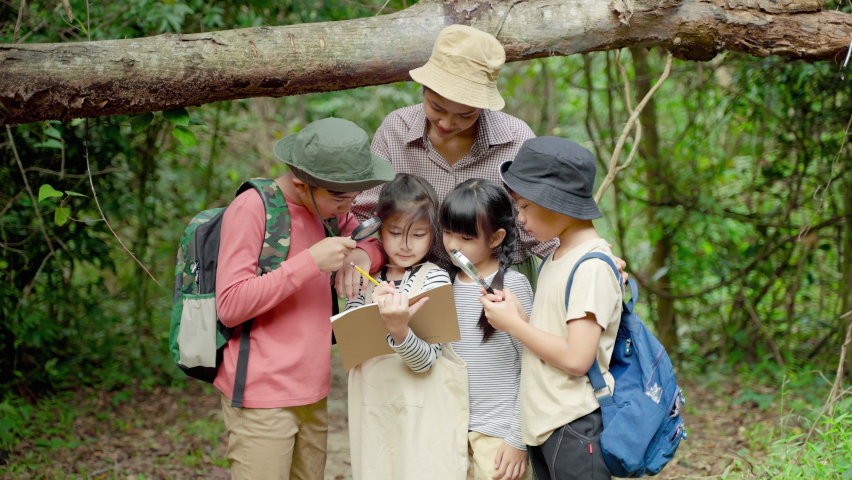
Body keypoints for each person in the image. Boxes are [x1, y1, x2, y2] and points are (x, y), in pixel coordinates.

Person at [214, 118, 394, 480]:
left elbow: (372, 244)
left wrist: (361, 257)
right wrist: (310, 263)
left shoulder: (330, 212)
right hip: (260, 397)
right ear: (301, 183)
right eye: (340, 197)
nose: (349, 206)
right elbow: (230, 306)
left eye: (354, 195)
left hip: (313, 391)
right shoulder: (253, 208)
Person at [341, 23, 557, 297]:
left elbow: (540, 220)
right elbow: (365, 212)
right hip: (413, 281)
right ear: (423, 89)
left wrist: (586, 257)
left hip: (500, 280)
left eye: (466, 115)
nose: (446, 122)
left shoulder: (515, 139)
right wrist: (363, 252)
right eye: (437, 107)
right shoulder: (396, 130)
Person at [480, 137, 623, 480]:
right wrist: (520, 317)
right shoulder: (557, 255)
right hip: (547, 423)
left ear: (556, 203)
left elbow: (577, 359)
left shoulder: (590, 266)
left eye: (526, 206)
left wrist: (515, 327)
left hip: (575, 425)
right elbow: (555, 338)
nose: (520, 218)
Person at [346, 173, 469, 480]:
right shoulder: (363, 282)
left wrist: (399, 329)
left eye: (417, 235)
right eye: (395, 231)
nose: (404, 244)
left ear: (433, 234)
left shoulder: (435, 280)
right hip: (374, 410)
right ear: (378, 229)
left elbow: (426, 361)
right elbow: (352, 352)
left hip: (424, 416)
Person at [440, 179, 533, 480]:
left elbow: (533, 365)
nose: (453, 245)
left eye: (465, 237)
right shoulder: (443, 285)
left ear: (495, 238)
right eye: (448, 232)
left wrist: (517, 439)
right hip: (450, 434)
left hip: (499, 436)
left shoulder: (514, 287)